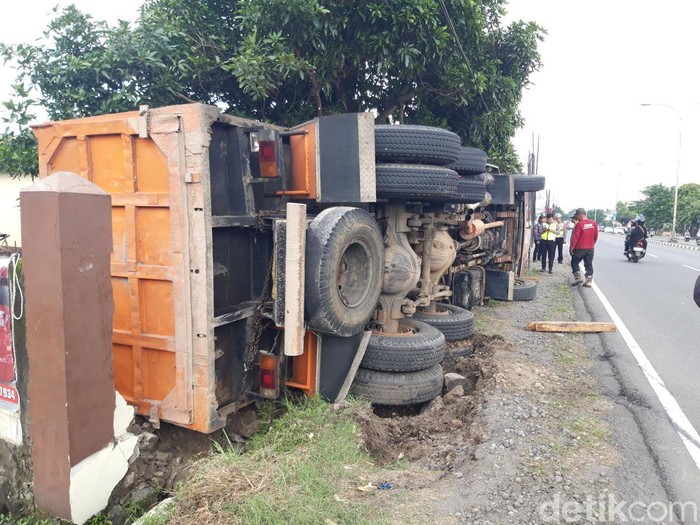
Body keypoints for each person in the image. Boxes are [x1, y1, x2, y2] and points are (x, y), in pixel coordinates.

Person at [569, 208, 598, 287]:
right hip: (590, 248)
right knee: (588, 264)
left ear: (580, 215)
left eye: (577, 215)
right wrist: (591, 244)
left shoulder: (579, 224)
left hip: (580, 248)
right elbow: (595, 236)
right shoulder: (594, 224)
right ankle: (588, 281)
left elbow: (575, 238)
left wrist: (572, 248)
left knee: (574, 262)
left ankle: (578, 277)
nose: (576, 217)